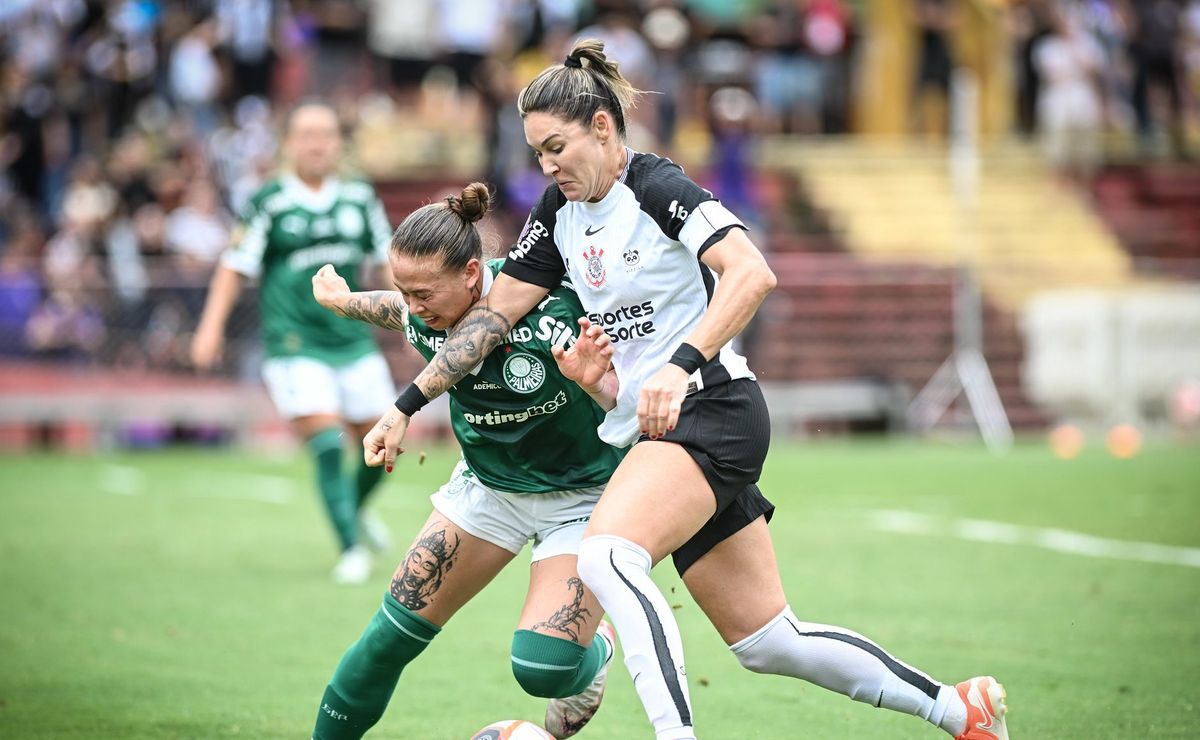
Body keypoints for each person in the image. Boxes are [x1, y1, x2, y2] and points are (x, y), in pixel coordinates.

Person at [361, 40, 1012, 740]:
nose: (546, 165)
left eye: (556, 146)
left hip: (714, 407)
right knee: (768, 640)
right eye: (536, 151)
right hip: (660, 428)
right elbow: (489, 318)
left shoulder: (658, 187)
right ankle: (958, 709)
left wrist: (680, 363)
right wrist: (410, 405)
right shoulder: (556, 213)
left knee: (608, 554)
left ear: (603, 129)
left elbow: (750, 272)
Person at [307, 183, 622, 740]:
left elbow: (488, 335)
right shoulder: (421, 313)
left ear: (473, 275)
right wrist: (340, 300)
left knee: (542, 667)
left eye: (423, 292)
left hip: (585, 497)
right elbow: (387, 309)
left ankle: (594, 656)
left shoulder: (552, 300)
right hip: (489, 490)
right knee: (387, 637)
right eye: (404, 290)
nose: (412, 305)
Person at [190, 101, 396, 584]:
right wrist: (209, 327)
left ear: (337, 143)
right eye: (307, 134)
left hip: (353, 340)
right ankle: (350, 548)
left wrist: (413, 317)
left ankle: (352, 508)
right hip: (294, 342)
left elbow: (387, 261)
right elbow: (234, 264)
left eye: (326, 134)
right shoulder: (270, 200)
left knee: (383, 444)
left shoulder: (359, 198)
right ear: (289, 143)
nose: (317, 143)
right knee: (327, 444)